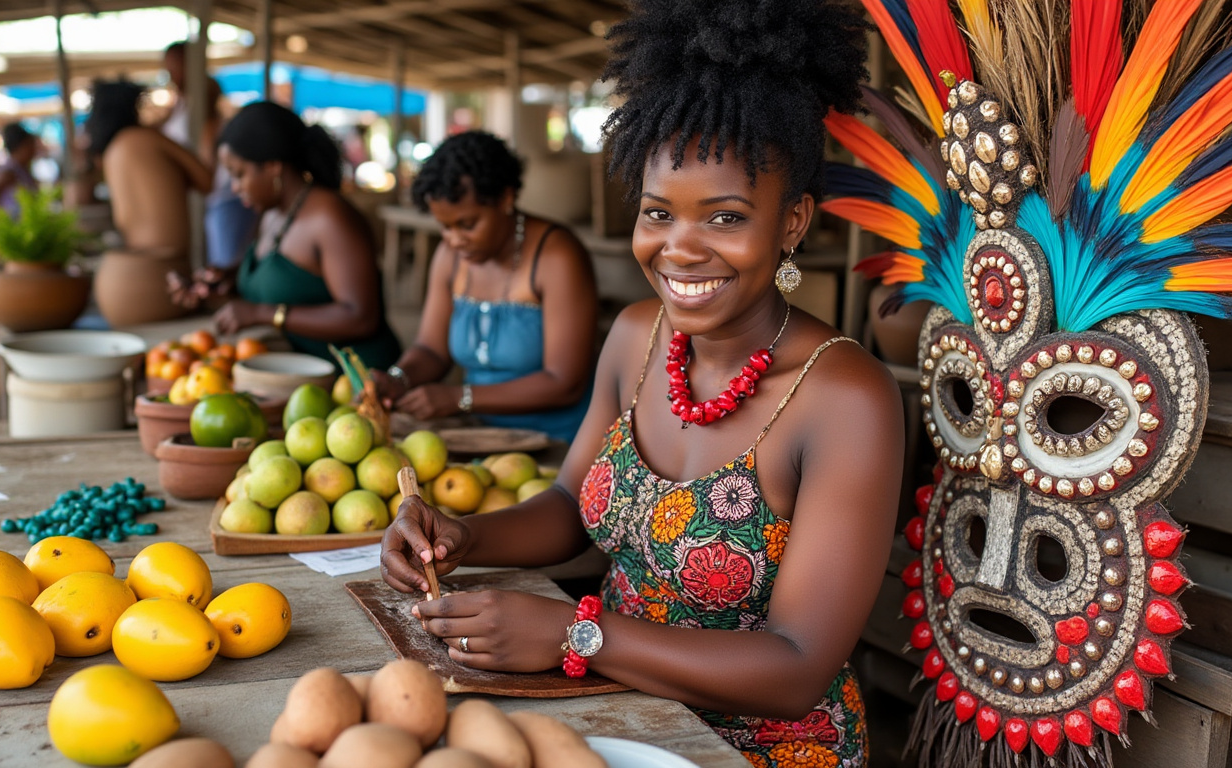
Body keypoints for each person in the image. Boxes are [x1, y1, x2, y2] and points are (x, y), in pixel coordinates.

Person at [379, 1, 901, 766]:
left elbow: (797, 667)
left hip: (762, 747)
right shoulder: (637, 336)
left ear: (792, 223)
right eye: (659, 213)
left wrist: (574, 633)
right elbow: (570, 507)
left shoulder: (845, 397)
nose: (679, 249)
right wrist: (463, 537)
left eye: (724, 218)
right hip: (619, 712)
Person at [371, 131, 598, 445]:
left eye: (467, 225)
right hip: (479, 432)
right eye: (445, 227)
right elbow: (431, 350)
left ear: (505, 198)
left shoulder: (557, 256)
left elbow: (564, 383)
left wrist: (459, 397)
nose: (454, 240)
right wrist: (398, 378)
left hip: (558, 442)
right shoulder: (450, 258)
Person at [193, 101, 401, 369]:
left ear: (273, 166)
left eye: (239, 174)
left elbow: (361, 318)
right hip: (304, 370)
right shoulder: (272, 213)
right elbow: (292, 281)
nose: (234, 188)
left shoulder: (329, 217)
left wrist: (263, 314)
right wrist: (224, 281)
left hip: (359, 376)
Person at [87, 79, 213, 258]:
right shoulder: (148, 138)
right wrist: (210, 130)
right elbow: (206, 180)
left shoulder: (109, 154)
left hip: (128, 262)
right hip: (164, 262)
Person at [160, 41, 256, 269]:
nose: (172, 75)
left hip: (221, 196)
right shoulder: (181, 102)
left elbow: (208, 141)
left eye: (175, 67)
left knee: (225, 264)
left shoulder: (203, 95)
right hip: (209, 196)